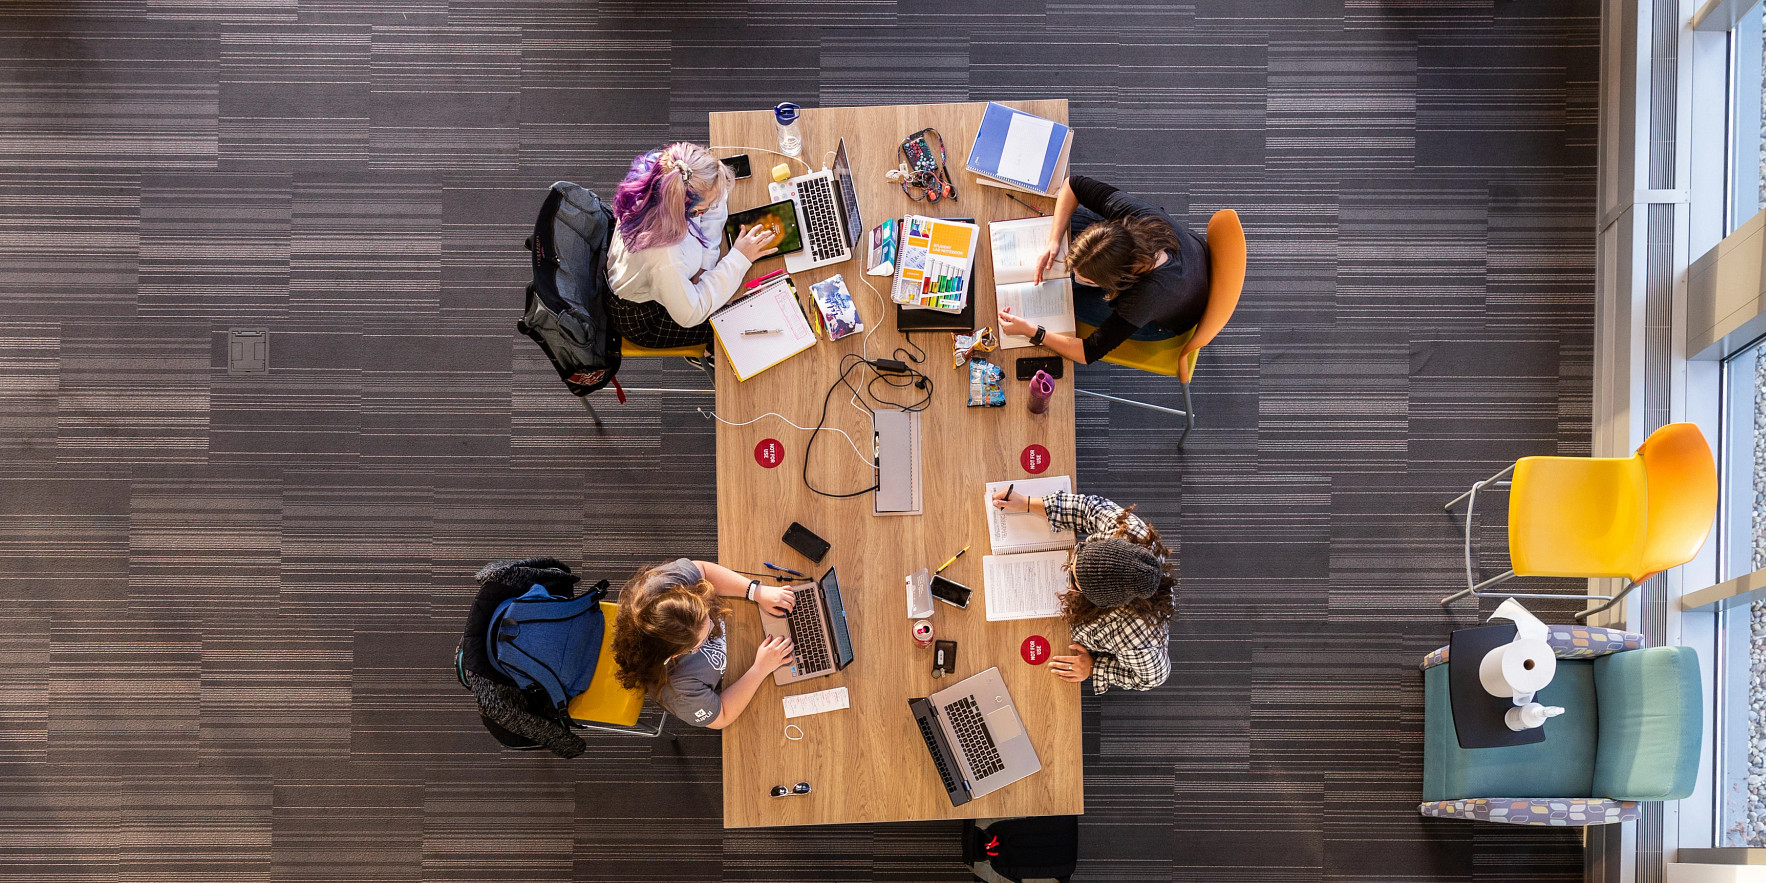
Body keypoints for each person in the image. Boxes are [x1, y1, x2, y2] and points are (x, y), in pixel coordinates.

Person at [996, 175, 1211, 365]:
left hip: (1170, 319)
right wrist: (1054, 240)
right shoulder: (1135, 216)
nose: (1074, 275)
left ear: (1115, 283)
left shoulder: (1142, 299)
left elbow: (1089, 351)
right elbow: (1073, 185)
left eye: (1086, 279)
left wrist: (1032, 331)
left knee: (1063, 298)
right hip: (1192, 259)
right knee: (1073, 225)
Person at [989, 488, 1176, 693]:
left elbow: (1154, 677)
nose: (1066, 572)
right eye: (1076, 559)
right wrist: (1027, 503)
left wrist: (1095, 667)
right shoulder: (1128, 530)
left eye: (1073, 581)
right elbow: (1087, 508)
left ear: (1102, 602)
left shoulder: (1139, 636)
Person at [607, 143, 778, 349]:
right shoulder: (664, 256)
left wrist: (704, 265)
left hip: (657, 276)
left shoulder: (671, 171)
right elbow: (690, 314)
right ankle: (709, 354)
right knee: (735, 318)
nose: (712, 207)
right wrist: (739, 259)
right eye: (703, 210)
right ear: (683, 208)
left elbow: (716, 195)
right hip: (645, 315)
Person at [611, 558, 797, 728]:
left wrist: (756, 592)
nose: (713, 625)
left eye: (705, 615)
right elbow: (722, 716)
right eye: (705, 635)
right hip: (737, 672)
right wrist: (760, 669)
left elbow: (704, 571)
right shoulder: (677, 689)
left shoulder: (659, 588)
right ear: (676, 654)